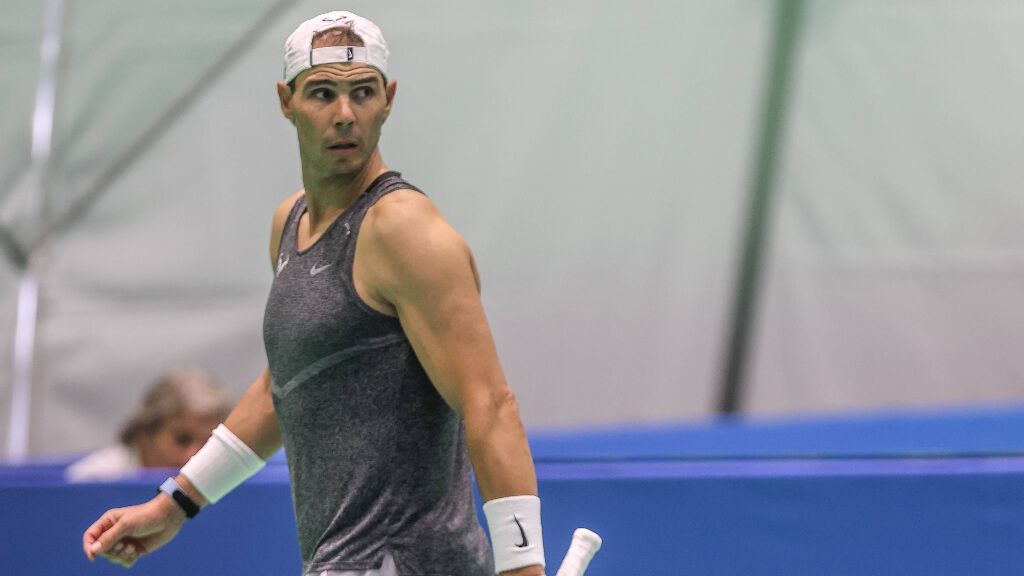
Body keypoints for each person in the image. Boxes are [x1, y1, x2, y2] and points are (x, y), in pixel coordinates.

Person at [82, 11, 546, 576]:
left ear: (388, 99)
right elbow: (289, 381)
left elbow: (490, 402)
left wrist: (524, 568)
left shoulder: (404, 231)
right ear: (286, 101)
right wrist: (176, 502)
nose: (345, 115)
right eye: (323, 93)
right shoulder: (290, 223)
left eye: (362, 93)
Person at [66, 369, 231, 482]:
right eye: (182, 440)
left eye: (209, 443)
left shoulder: (228, 485)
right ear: (143, 436)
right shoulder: (91, 480)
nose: (195, 456)